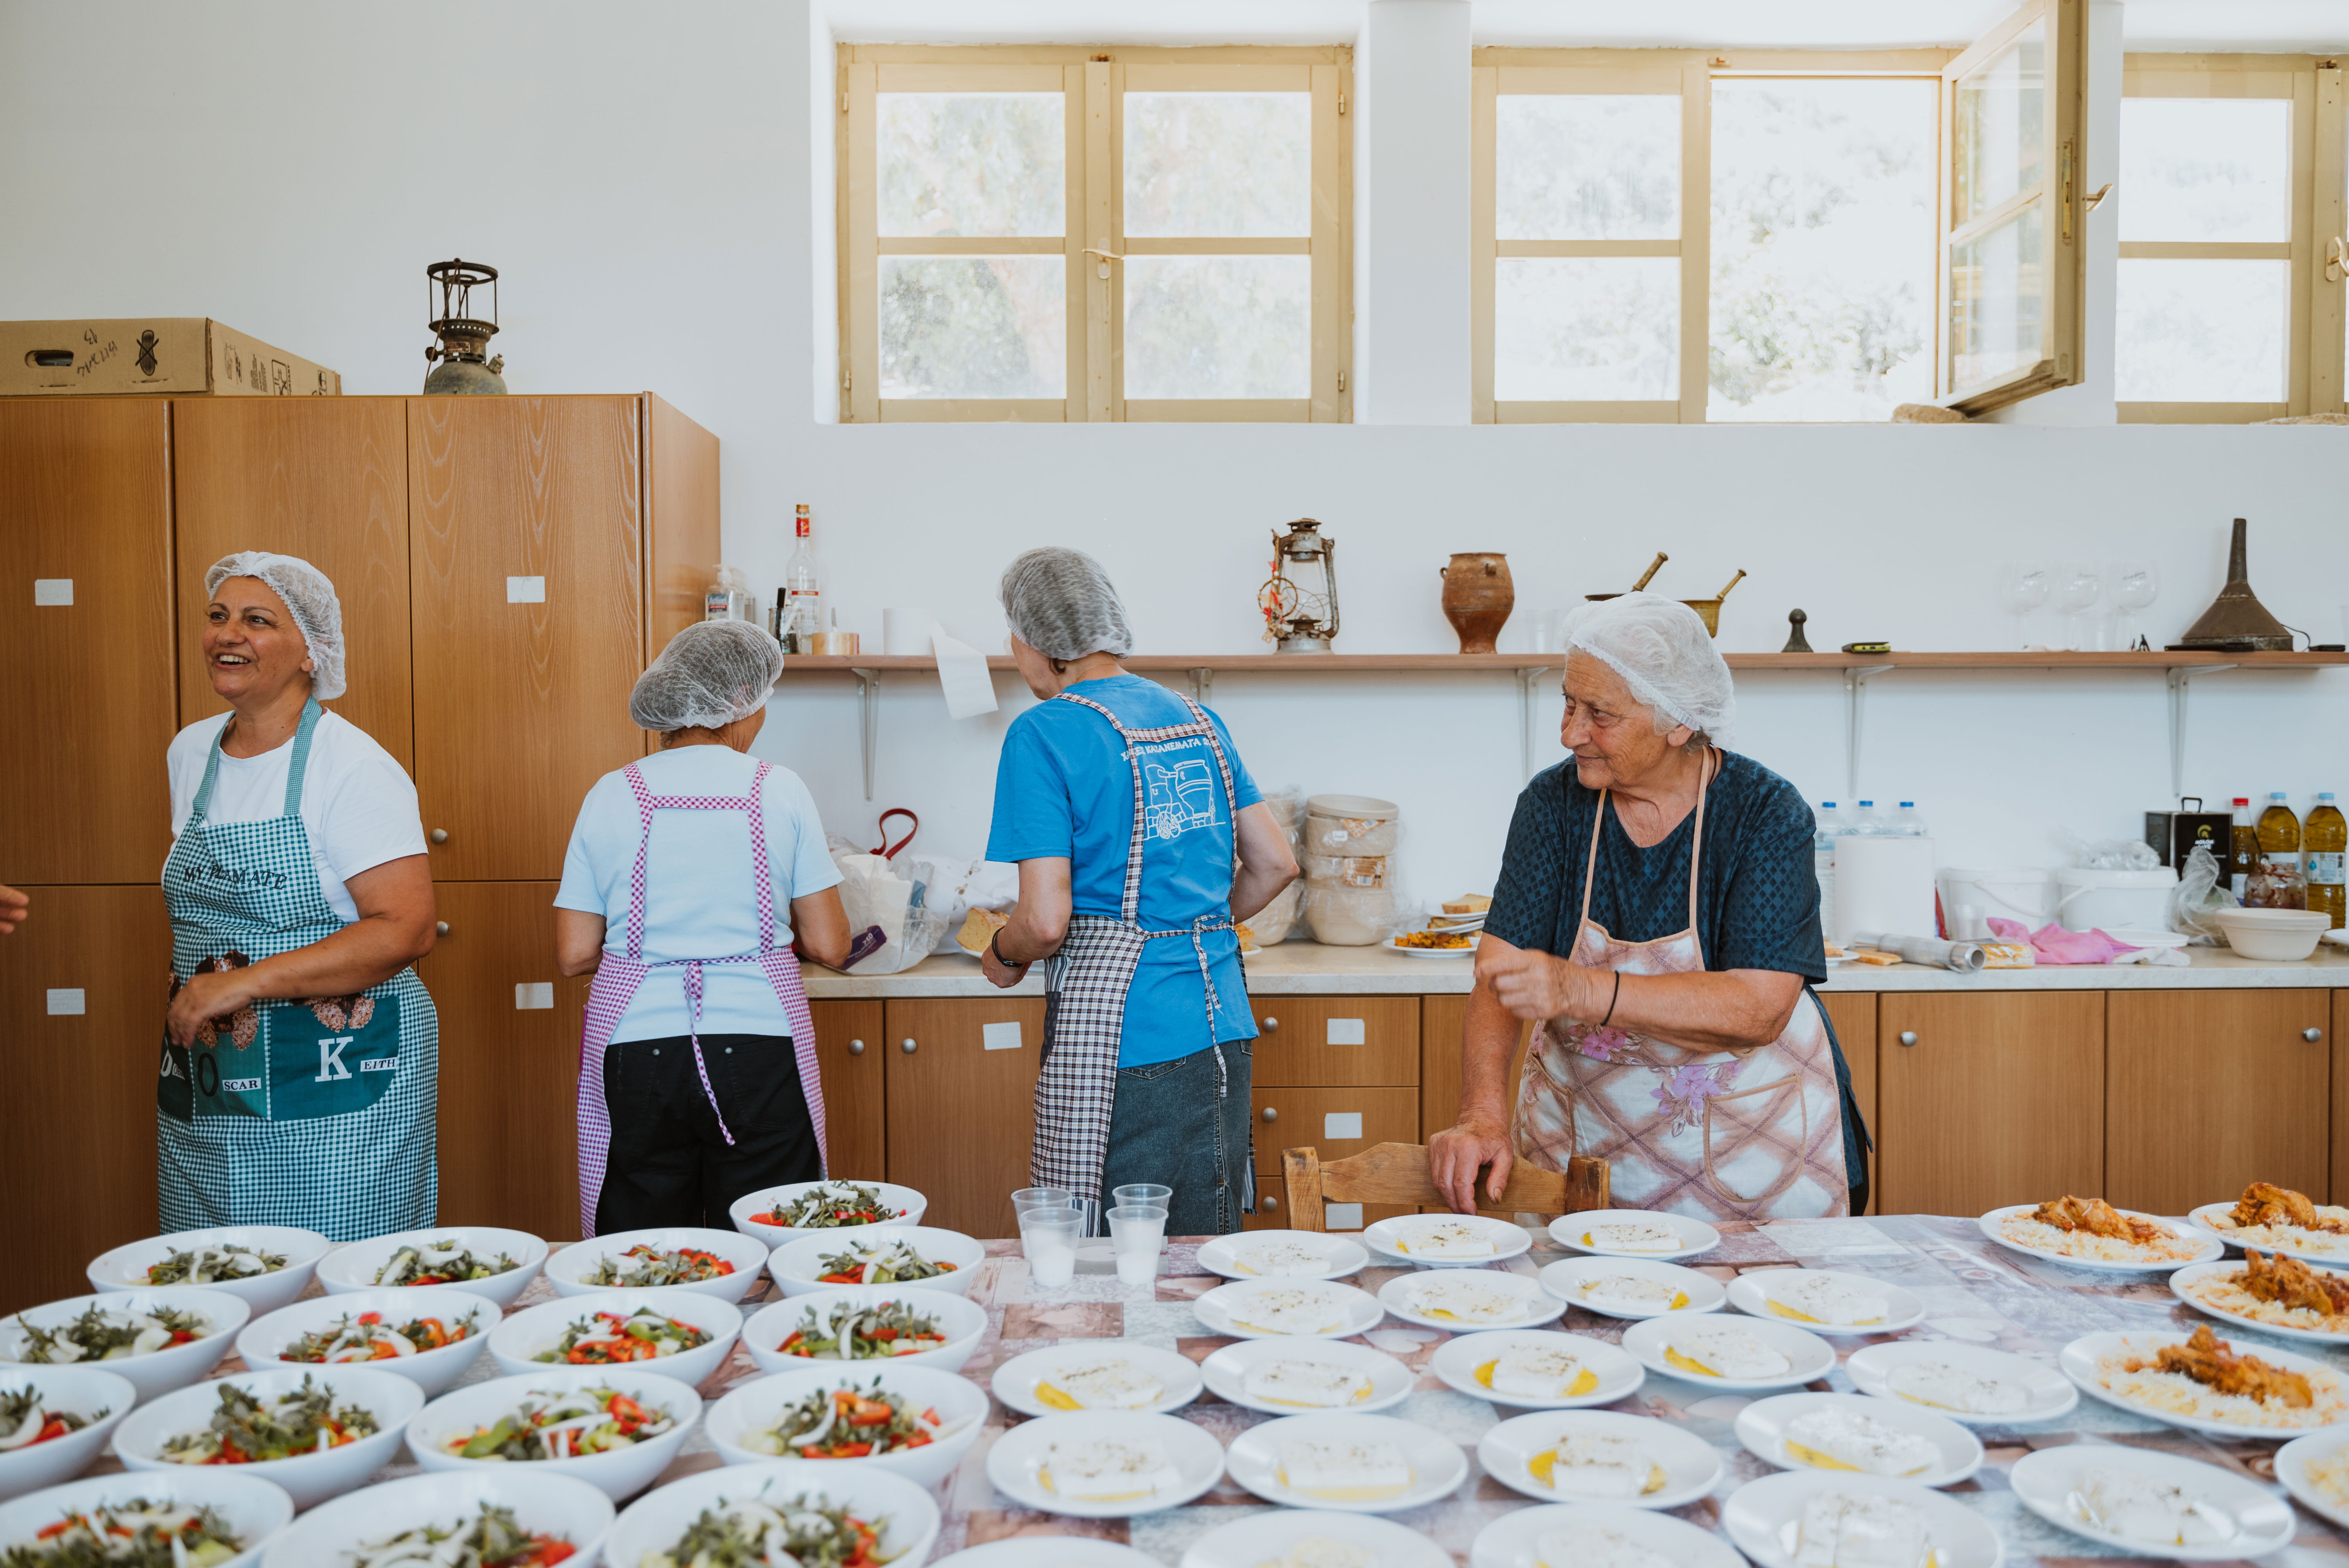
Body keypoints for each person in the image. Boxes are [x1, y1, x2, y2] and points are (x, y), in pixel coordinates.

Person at [1428, 592, 1865, 1221]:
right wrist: (1481, 1116)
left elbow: (1757, 1009)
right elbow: (1500, 980)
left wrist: (1582, 991)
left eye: (1600, 713)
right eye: (1568, 703)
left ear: (1680, 721)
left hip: (1749, 1152)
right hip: (1588, 1143)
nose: (1570, 732)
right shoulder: (1553, 805)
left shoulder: (1763, 812)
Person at [980, 548, 1300, 1236]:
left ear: (1036, 642)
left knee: (1112, 1261)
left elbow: (1042, 920)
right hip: (1223, 1029)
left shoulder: (1043, 733)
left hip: (1125, 1041)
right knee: (1203, 1250)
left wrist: (1001, 953)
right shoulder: (1198, 719)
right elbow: (1275, 865)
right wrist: (1196, 925)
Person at [160, 552, 439, 1239]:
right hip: (216, 1074)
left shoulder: (353, 767)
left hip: (339, 1073)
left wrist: (242, 984)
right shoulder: (191, 752)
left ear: (311, 652)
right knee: (217, 1271)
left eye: (258, 621)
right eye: (218, 617)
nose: (229, 635)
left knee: (338, 1278)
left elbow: (405, 929)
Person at [556, 620, 852, 1237]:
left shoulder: (610, 794)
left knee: (644, 1247)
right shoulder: (780, 788)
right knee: (771, 1240)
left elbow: (575, 952)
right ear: (743, 697)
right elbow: (829, 945)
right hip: (756, 1045)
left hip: (637, 1052)